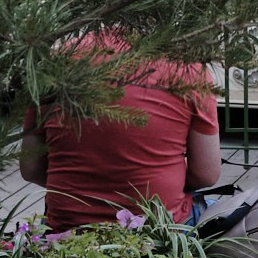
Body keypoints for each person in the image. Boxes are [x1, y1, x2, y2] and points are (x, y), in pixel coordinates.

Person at [18, 35, 222, 233]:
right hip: (158, 232)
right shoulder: (187, 68)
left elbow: (31, 168)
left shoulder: (55, 62)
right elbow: (205, 174)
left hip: (67, 232)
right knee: (223, 208)